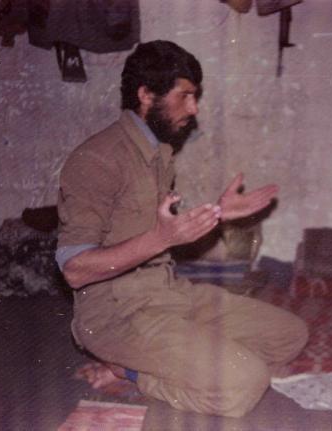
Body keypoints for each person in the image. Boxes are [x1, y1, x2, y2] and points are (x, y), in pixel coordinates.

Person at [56, 40, 308, 418]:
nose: (194, 109)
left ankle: (187, 359)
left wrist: (220, 213)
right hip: (117, 315)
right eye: (185, 96)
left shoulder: (158, 152)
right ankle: (130, 372)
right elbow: (75, 271)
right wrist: (162, 239)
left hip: (169, 295)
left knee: (289, 335)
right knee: (245, 382)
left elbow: (157, 228)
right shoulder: (96, 159)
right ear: (146, 94)